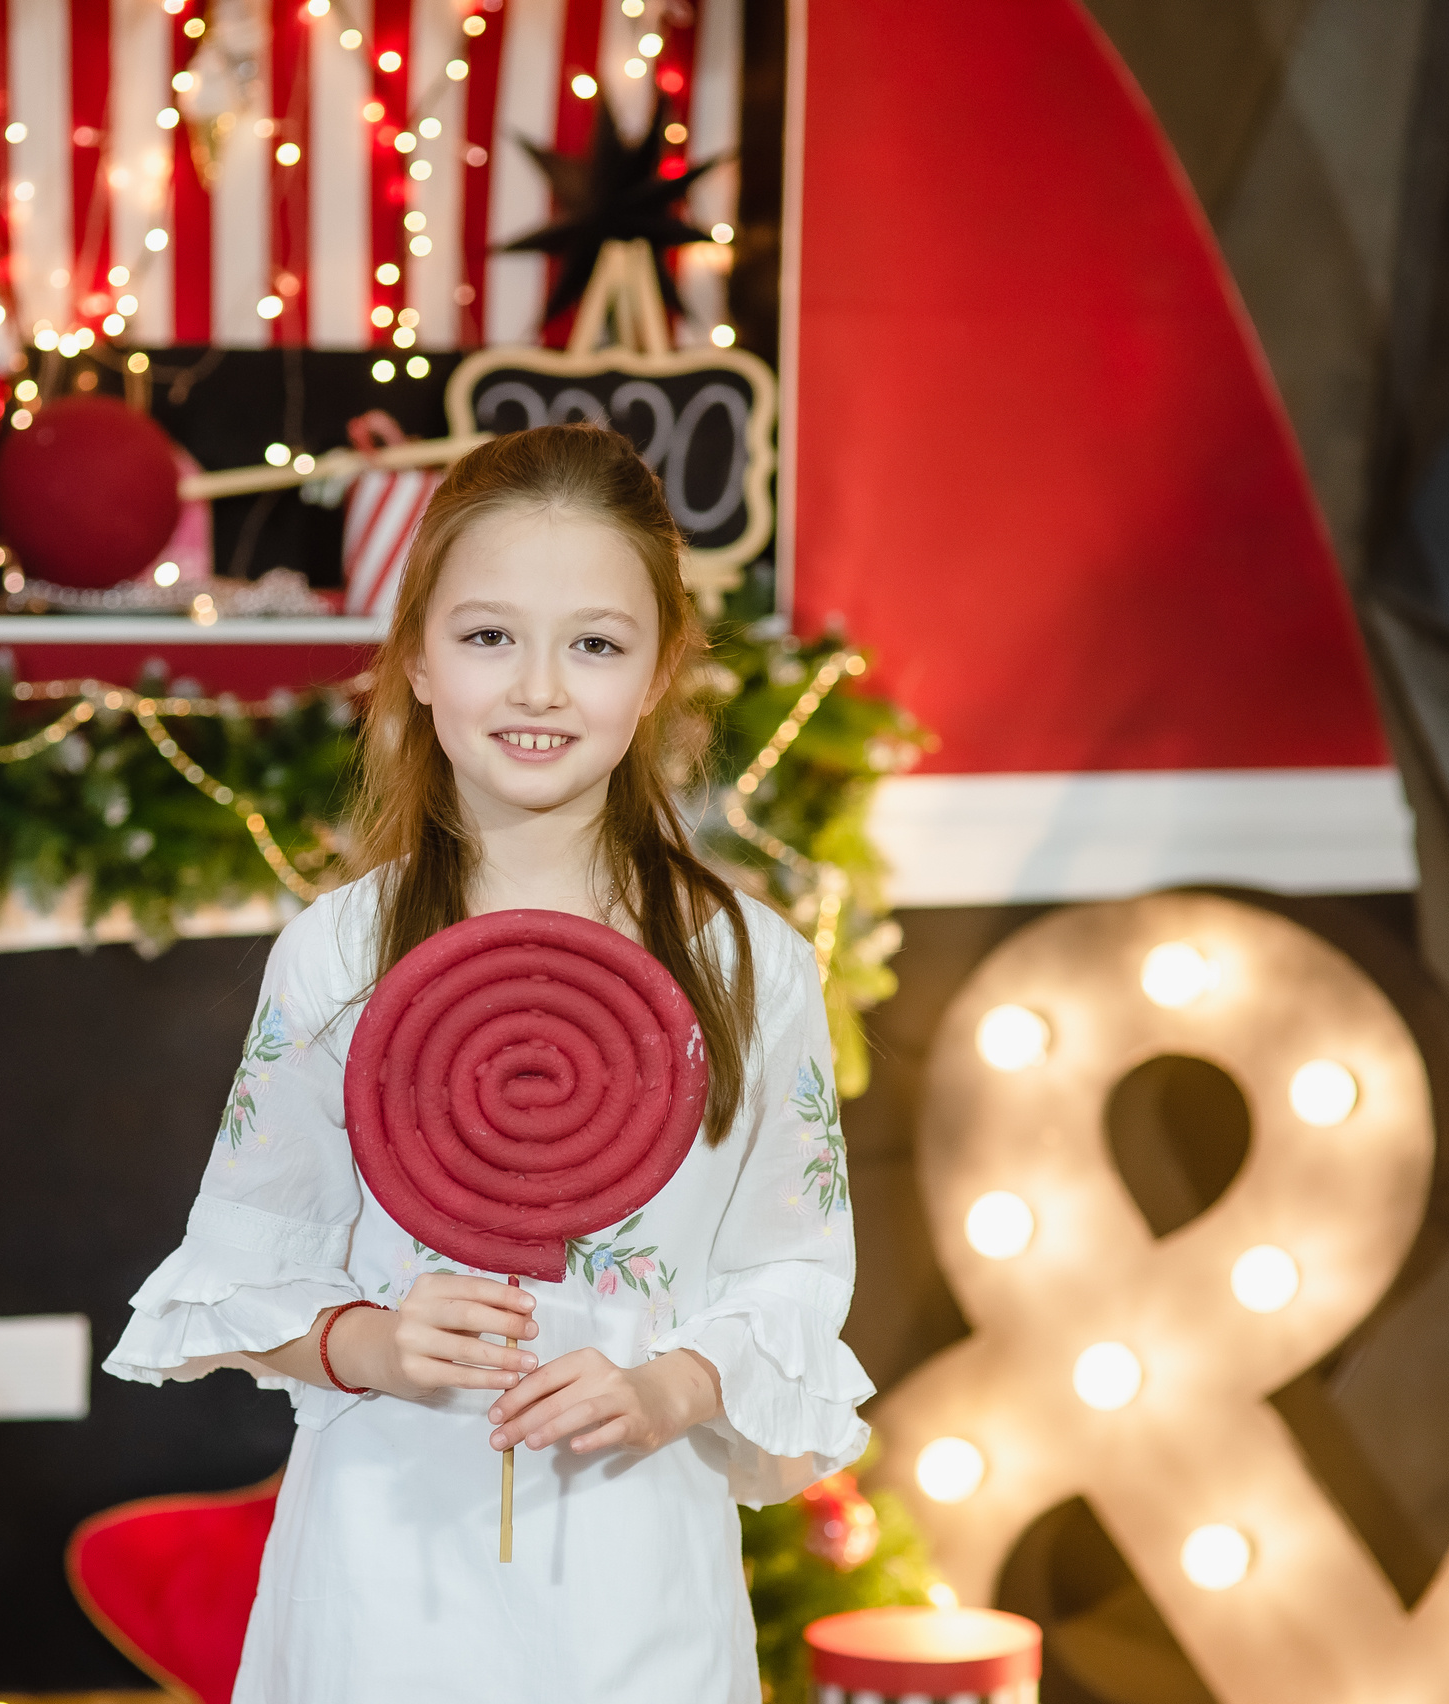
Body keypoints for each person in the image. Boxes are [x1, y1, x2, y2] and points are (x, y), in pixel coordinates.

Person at [102, 424, 874, 1702]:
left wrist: (671, 1388)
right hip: (384, 1588)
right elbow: (246, 1266)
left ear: (659, 670)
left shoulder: (749, 968)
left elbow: (793, 1273)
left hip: (636, 1595)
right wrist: (372, 1345)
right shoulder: (339, 955)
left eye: (595, 645)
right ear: (415, 655)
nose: (538, 689)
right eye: (487, 636)